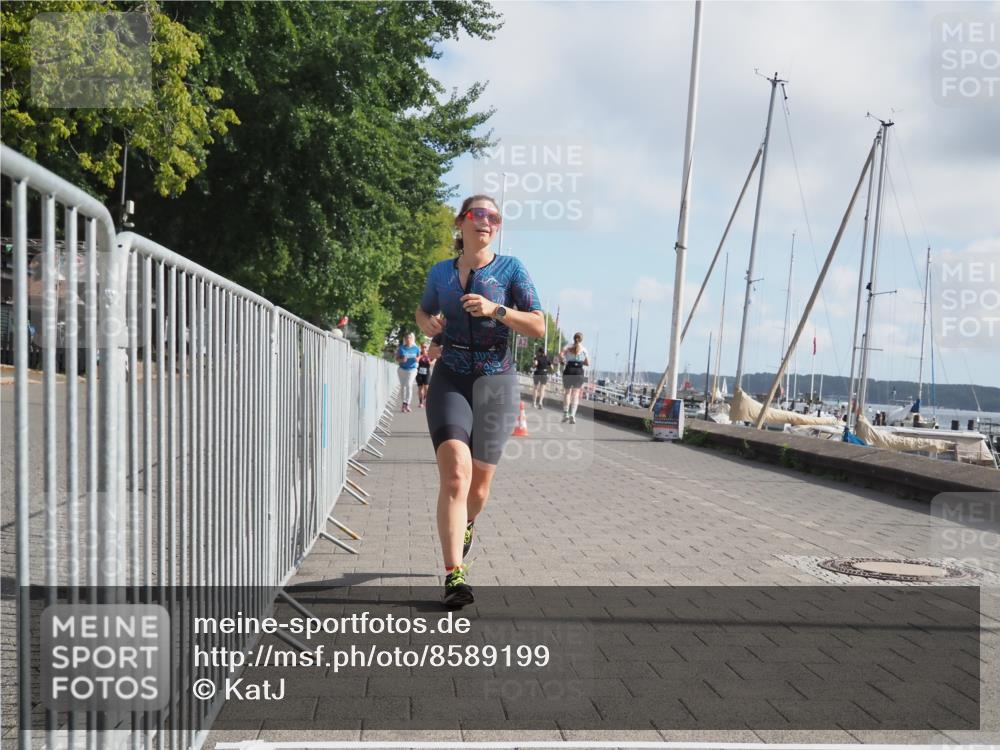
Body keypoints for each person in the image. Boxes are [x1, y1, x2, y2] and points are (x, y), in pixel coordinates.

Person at [415, 194, 544, 608]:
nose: (486, 221)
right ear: (462, 222)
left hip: (496, 383)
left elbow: (539, 327)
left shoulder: (512, 269)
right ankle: (455, 576)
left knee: (480, 487)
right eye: (478, 214)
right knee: (456, 474)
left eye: (493, 216)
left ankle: (468, 521)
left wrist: (497, 310)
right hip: (451, 377)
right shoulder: (441, 272)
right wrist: (429, 323)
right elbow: (422, 312)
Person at [559, 332, 589, 424]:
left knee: (567, 393)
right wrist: (579, 362)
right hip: (578, 372)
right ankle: (573, 414)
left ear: (573, 338)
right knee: (575, 394)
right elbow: (588, 363)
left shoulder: (568, 347)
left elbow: (560, 355)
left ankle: (565, 414)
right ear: (581, 340)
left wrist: (563, 360)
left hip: (569, 370)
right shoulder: (584, 349)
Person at [395, 332, 420, 412]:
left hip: (412, 369)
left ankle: (407, 404)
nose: (408, 340)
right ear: (405, 339)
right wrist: (402, 360)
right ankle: (403, 403)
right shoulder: (401, 348)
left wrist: (417, 359)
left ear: (412, 339)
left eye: (409, 338)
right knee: (403, 387)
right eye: (406, 338)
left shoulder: (416, 348)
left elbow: (419, 356)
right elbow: (397, 359)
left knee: (409, 385)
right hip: (402, 369)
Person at [415, 342, 433, 408]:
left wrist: (429, 360)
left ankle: (425, 400)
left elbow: (432, 363)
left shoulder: (430, 355)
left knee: (426, 388)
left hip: (427, 373)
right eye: (423, 347)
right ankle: (420, 402)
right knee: (420, 388)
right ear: (421, 347)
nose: (424, 348)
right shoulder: (419, 354)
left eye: (425, 347)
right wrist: (421, 356)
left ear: (427, 347)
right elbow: (416, 360)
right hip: (419, 373)